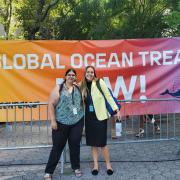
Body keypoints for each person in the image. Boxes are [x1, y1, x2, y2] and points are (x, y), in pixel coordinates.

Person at [80, 66, 121, 176]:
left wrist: (117, 110)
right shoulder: (82, 85)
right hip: (89, 118)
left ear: (94, 73)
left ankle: (108, 165)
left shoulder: (99, 82)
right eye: (88, 72)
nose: (90, 74)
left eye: (92, 72)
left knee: (102, 144)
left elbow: (108, 97)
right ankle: (95, 165)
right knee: (93, 144)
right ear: (85, 73)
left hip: (100, 117)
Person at [44, 69, 84, 179]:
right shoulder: (59, 88)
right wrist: (53, 120)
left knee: (75, 145)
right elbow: (51, 104)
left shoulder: (78, 87)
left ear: (75, 77)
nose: (71, 76)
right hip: (61, 123)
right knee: (57, 147)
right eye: (69, 75)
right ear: (65, 77)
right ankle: (48, 172)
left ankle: (76, 167)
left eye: (73, 75)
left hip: (77, 121)